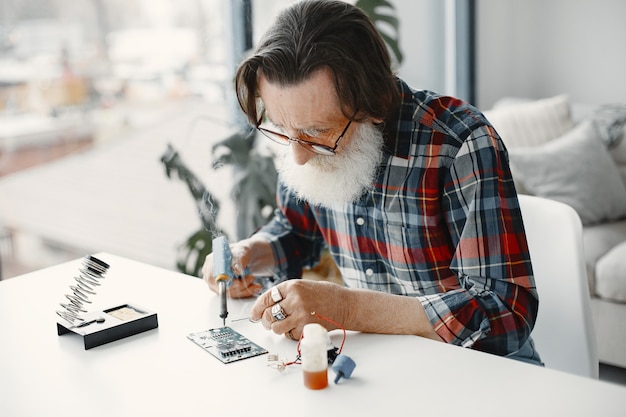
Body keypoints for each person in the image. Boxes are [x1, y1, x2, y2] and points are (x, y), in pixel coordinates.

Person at [202, 0, 542, 365]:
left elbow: (506, 313)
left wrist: (344, 307)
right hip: (380, 366)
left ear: (375, 104)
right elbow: (296, 230)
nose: (298, 155)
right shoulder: (304, 141)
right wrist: (251, 253)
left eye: (317, 134)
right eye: (284, 131)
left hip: (482, 371)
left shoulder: (460, 143)